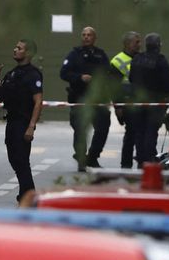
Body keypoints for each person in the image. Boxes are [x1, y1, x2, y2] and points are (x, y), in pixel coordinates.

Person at [0, 40, 43, 202]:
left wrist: (31, 126)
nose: (15, 50)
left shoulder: (33, 74)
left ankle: (29, 196)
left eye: (19, 48)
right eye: (15, 47)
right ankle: (25, 193)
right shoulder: (12, 74)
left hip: (23, 122)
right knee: (15, 160)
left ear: (28, 53)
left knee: (21, 161)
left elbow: (38, 101)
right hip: (12, 122)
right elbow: (0, 95)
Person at [60, 26, 111, 170]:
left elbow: (108, 74)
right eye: (84, 35)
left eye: (89, 35)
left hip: (98, 99)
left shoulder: (101, 55)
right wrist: (80, 77)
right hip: (79, 98)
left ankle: (93, 157)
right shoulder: (74, 54)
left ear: (94, 38)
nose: (86, 37)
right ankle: (81, 158)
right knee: (80, 130)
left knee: (102, 127)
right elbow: (64, 73)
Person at [129, 33, 169, 166]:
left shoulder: (137, 58)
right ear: (159, 45)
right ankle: (149, 159)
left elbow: (132, 79)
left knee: (139, 131)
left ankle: (141, 158)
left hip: (138, 101)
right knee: (151, 131)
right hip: (155, 103)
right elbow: (167, 82)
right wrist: (167, 98)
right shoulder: (160, 60)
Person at [109, 31, 142, 168]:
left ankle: (142, 162)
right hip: (127, 103)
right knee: (131, 135)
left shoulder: (141, 58)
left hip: (141, 103)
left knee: (141, 134)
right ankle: (126, 165)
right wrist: (118, 107)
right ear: (128, 44)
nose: (140, 45)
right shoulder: (117, 61)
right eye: (137, 42)